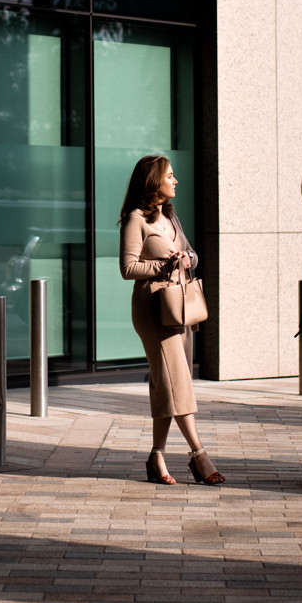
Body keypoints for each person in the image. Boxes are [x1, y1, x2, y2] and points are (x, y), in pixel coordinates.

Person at [118, 155, 224, 486]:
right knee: (178, 382)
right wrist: (163, 265)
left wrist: (184, 257)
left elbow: (192, 254)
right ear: (154, 182)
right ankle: (198, 454)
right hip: (152, 309)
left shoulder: (171, 219)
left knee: (167, 383)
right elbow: (127, 268)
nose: (175, 181)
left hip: (178, 307)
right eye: (170, 176)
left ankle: (156, 457)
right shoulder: (136, 220)